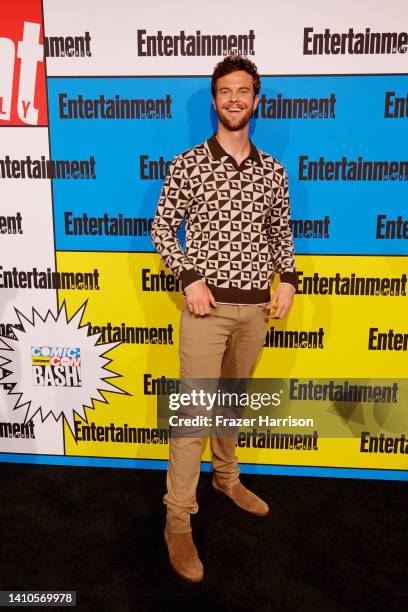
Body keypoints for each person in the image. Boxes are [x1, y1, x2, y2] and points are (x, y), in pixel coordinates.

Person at [151, 54, 298, 582]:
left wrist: (287, 278)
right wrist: (189, 278)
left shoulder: (273, 172)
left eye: (244, 90)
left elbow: (281, 235)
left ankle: (226, 477)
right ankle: (177, 519)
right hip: (206, 311)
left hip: (256, 309)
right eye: (225, 91)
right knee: (192, 416)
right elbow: (163, 228)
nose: (234, 99)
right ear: (214, 101)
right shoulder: (188, 163)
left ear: (256, 100)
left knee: (232, 402)